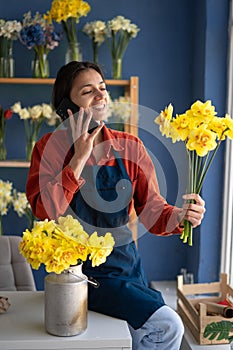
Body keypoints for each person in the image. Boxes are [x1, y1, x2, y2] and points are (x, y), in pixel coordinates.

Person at [26, 61, 206, 349]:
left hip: (124, 272)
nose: (101, 96)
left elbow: (154, 212)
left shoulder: (130, 147)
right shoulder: (47, 147)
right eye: (88, 91)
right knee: (164, 326)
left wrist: (182, 216)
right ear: (66, 107)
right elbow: (44, 211)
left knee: (162, 328)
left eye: (103, 88)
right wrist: (79, 158)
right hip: (71, 279)